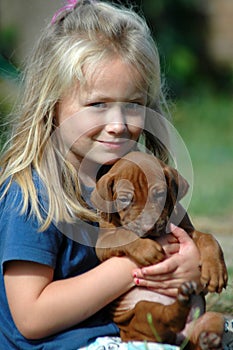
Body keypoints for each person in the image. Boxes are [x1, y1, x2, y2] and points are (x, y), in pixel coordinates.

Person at [0, 1, 206, 349]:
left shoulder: (136, 180)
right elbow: (31, 317)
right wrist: (134, 265)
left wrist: (186, 273)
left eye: (133, 105)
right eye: (98, 104)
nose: (118, 125)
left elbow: (180, 294)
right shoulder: (32, 194)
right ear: (51, 103)